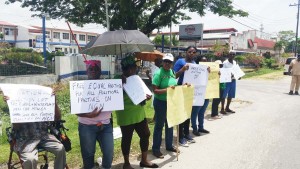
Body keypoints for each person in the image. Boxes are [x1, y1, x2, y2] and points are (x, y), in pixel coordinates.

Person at [116, 55, 158, 169]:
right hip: (125, 115)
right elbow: (112, 96)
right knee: (127, 139)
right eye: (135, 67)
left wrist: (146, 97)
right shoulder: (117, 79)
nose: (136, 69)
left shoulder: (136, 78)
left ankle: (144, 160)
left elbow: (141, 94)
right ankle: (126, 163)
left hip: (139, 113)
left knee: (145, 134)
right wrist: (119, 84)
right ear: (129, 69)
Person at [3, 96, 66, 169]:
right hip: (25, 139)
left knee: (60, 149)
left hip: (43, 136)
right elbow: (16, 126)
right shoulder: (19, 106)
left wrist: (53, 101)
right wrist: (12, 106)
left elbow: (57, 118)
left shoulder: (41, 102)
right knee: (30, 159)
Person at [77, 60, 114, 169]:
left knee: (109, 152)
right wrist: (89, 115)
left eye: (96, 69)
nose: (93, 71)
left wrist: (120, 84)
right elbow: (74, 110)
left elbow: (115, 100)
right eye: (91, 69)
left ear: (100, 71)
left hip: (105, 125)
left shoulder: (108, 86)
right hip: (86, 126)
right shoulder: (79, 87)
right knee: (88, 154)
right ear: (86, 71)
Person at [152, 53, 180, 158]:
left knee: (170, 124)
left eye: (170, 62)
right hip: (160, 103)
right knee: (159, 126)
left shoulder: (172, 72)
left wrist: (184, 86)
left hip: (170, 102)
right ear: (163, 62)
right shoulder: (158, 73)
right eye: (166, 61)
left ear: (172, 63)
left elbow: (174, 86)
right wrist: (166, 90)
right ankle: (156, 149)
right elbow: (155, 90)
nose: (167, 63)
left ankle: (169, 145)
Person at [173, 46, 198, 146]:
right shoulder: (180, 61)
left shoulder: (195, 64)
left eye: (194, 52)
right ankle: (180, 136)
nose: (191, 53)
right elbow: (174, 75)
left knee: (188, 113)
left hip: (190, 91)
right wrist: (182, 69)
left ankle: (187, 133)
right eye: (190, 52)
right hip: (181, 90)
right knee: (181, 113)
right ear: (186, 52)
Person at [190, 56, 210, 136]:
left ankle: (201, 127)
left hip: (206, 94)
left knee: (202, 112)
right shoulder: (195, 70)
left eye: (206, 61)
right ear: (198, 62)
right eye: (202, 61)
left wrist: (217, 74)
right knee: (195, 112)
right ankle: (194, 128)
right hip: (198, 95)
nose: (204, 63)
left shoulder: (208, 70)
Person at [220, 50, 238, 114]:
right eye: (231, 54)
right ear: (228, 55)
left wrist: (238, 75)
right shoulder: (225, 63)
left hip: (233, 80)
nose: (232, 55)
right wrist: (228, 75)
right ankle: (222, 109)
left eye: (233, 54)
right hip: (226, 81)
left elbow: (236, 70)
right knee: (223, 95)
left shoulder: (235, 62)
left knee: (230, 95)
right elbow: (222, 72)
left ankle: (227, 108)